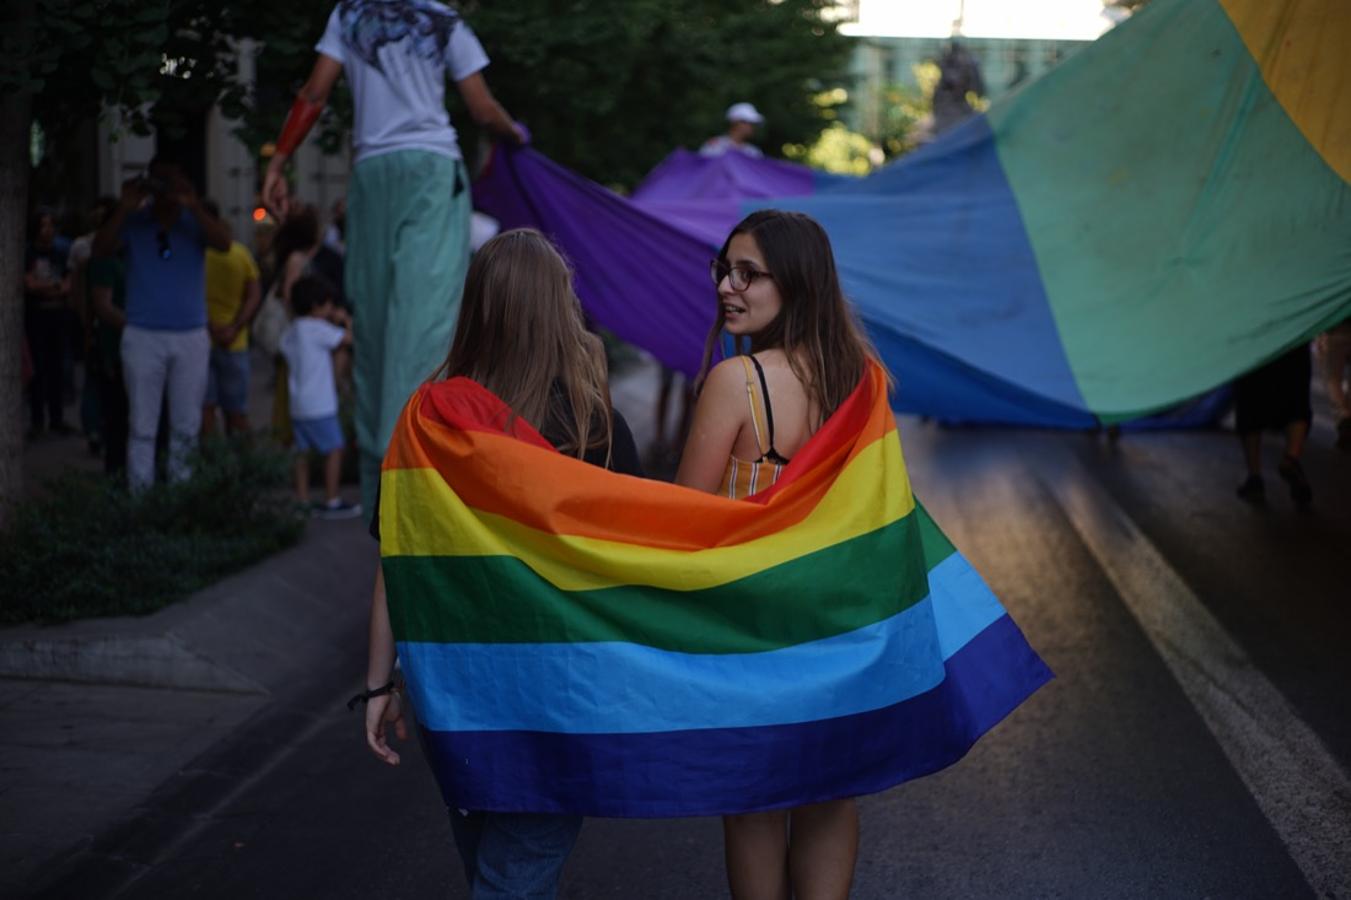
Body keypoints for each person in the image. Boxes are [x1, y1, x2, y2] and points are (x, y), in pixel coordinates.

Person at [360, 229, 642, 898]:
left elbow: (398, 563)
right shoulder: (592, 427)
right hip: (559, 695)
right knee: (512, 875)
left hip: (451, 689)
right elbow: (633, 566)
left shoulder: (429, 422)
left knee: (494, 865)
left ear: (477, 306)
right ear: (557, 307)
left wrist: (379, 684)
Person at [675, 210, 882, 900]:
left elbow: (685, 521)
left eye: (748, 274)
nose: (726, 288)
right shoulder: (862, 381)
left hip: (751, 631)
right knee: (829, 796)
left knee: (755, 801)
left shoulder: (737, 383)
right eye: (722, 270)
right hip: (839, 626)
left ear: (793, 283)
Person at [262, 0, 527, 519]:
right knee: (423, 326)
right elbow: (481, 108)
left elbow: (315, 93)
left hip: (372, 177)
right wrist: (515, 135)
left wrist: (279, 162)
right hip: (429, 170)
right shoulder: (443, 20)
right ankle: (410, 468)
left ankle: (377, 482)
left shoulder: (348, 14)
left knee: (376, 328)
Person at [92, 155, 232, 491]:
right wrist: (124, 207)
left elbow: (224, 243)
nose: (166, 190)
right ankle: (142, 501)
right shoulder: (135, 222)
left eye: (172, 181)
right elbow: (101, 250)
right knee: (142, 425)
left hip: (190, 335)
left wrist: (193, 205)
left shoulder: (193, 222)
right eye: (160, 182)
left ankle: (181, 498)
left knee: (187, 425)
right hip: (143, 334)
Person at [279, 275, 360, 518]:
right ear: (316, 307)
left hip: (298, 405)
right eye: (328, 305)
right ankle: (332, 500)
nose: (331, 309)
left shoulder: (292, 331)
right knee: (334, 449)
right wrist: (345, 321)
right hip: (320, 405)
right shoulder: (318, 329)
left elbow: (281, 347)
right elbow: (348, 340)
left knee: (301, 453)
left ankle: (302, 500)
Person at [202, 199, 263, 436]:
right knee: (236, 412)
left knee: (205, 411)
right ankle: (243, 464)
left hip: (202, 340)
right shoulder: (241, 254)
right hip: (234, 342)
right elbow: (254, 295)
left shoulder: (196, 255)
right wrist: (235, 327)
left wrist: (210, 327)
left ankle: (210, 463)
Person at [1234, 344, 1314, 506]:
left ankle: (1255, 477)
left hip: (1256, 343)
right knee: (1296, 401)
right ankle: (1291, 458)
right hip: (1293, 338)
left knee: (1250, 405)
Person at [23, 209, 73, 439]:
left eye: (51, 225)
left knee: (56, 367)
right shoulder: (27, 253)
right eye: (44, 225)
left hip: (57, 315)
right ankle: (37, 420)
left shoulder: (59, 253)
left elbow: (67, 283)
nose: (48, 230)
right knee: (38, 369)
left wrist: (53, 288)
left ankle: (56, 418)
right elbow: (30, 285)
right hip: (36, 316)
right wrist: (51, 288)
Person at [1317, 315, 1351, 451]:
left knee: (1331, 375)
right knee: (1332, 376)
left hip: (1334, 326)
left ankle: (1343, 415)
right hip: (1334, 327)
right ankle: (1346, 417)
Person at [700, 102, 765, 158]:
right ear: (735, 122)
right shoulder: (715, 146)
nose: (752, 127)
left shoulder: (753, 152)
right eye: (749, 122)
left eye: (753, 124)